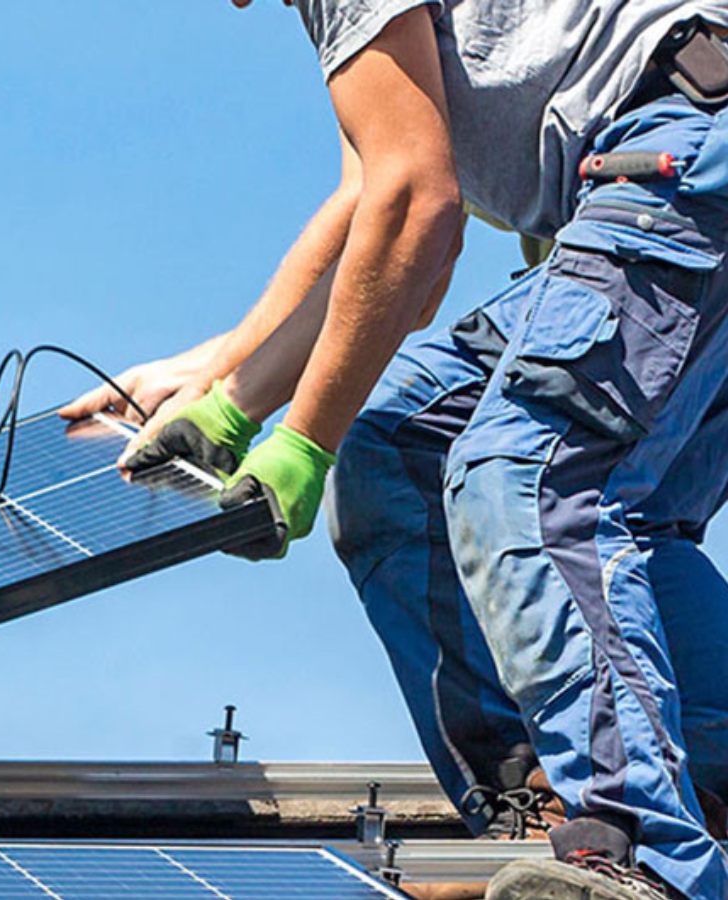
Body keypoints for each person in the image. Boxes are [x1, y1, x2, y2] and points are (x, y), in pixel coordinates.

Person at [60, 2, 728, 898]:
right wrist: (216, 383)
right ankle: (610, 794)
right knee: (402, 450)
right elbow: (377, 220)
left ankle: (643, 853)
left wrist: (297, 444)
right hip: (678, 184)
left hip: (681, 164)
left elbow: (421, 214)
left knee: (523, 478)